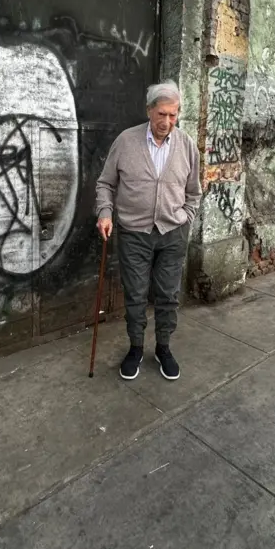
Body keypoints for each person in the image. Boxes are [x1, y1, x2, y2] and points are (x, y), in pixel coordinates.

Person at [95, 81, 201, 382]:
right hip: (134, 233)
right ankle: (136, 348)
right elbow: (105, 183)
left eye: (173, 115)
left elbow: (194, 192)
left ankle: (163, 348)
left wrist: (186, 218)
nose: (167, 121)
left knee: (168, 295)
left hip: (173, 232)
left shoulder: (186, 145)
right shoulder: (126, 141)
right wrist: (105, 213)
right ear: (149, 111)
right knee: (136, 295)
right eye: (161, 114)